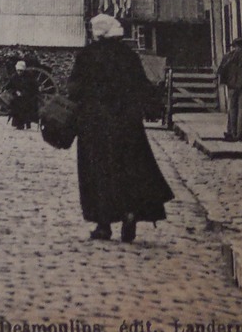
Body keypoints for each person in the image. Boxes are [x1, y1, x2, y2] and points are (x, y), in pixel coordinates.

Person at [66, 14, 175, 242]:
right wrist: (151, 108)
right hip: (126, 125)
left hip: (95, 126)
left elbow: (75, 89)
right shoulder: (129, 57)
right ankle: (130, 213)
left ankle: (103, 225)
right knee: (128, 171)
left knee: (98, 173)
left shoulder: (87, 56)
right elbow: (142, 86)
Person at [6, 59, 40, 129]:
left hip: (28, 97)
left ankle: (26, 123)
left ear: (24, 70)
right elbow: (8, 87)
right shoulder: (14, 77)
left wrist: (25, 93)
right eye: (18, 70)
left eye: (21, 71)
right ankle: (19, 124)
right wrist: (15, 92)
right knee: (16, 104)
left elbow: (34, 87)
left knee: (25, 105)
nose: (19, 72)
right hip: (17, 97)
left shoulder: (29, 76)